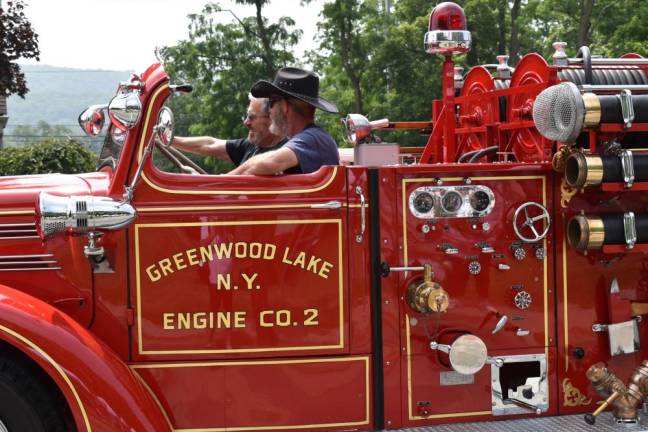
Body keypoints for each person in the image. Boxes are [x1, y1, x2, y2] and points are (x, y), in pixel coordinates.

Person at [228, 67, 339, 175]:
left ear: (284, 106)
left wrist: (221, 181)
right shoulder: (309, 139)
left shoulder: (314, 138)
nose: (269, 110)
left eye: (271, 102)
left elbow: (269, 163)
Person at [172, 96, 286, 170]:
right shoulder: (250, 145)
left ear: (272, 119)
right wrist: (169, 139)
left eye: (251, 117)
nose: (246, 122)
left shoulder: (288, 154)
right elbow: (209, 144)